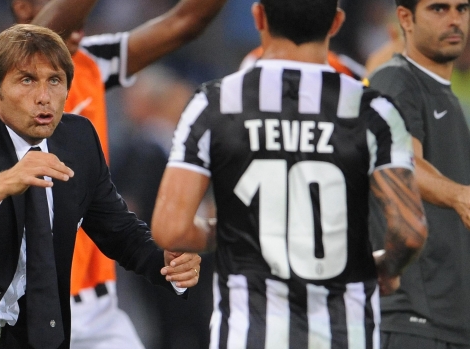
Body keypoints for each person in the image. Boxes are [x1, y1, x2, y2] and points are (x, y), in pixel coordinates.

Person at [0, 24, 200, 349]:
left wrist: (167, 262)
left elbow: (117, 227)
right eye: (27, 80)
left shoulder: (78, 139)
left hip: (28, 336)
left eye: (54, 81)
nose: (44, 97)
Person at [151, 0, 428, 348]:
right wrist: (387, 267)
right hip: (346, 333)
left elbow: (170, 227)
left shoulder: (213, 104)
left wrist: (234, 229)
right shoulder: (375, 111)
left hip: (247, 334)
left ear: (258, 17)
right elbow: (411, 231)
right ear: (337, 22)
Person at [0, 1, 227, 348]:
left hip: (99, 306)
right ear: (24, 8)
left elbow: (185, 22)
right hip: (22, 306)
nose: (82, 26)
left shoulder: (92, 58)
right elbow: (41, 40)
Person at [366, 0, 470, 348]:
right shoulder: (395, 79)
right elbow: (403, 160)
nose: (455, 20)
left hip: (450, 321)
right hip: (413, 322)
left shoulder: (450, 97)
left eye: (463, 8)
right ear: (405, 19)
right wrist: (458, 195)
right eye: (439, 9)